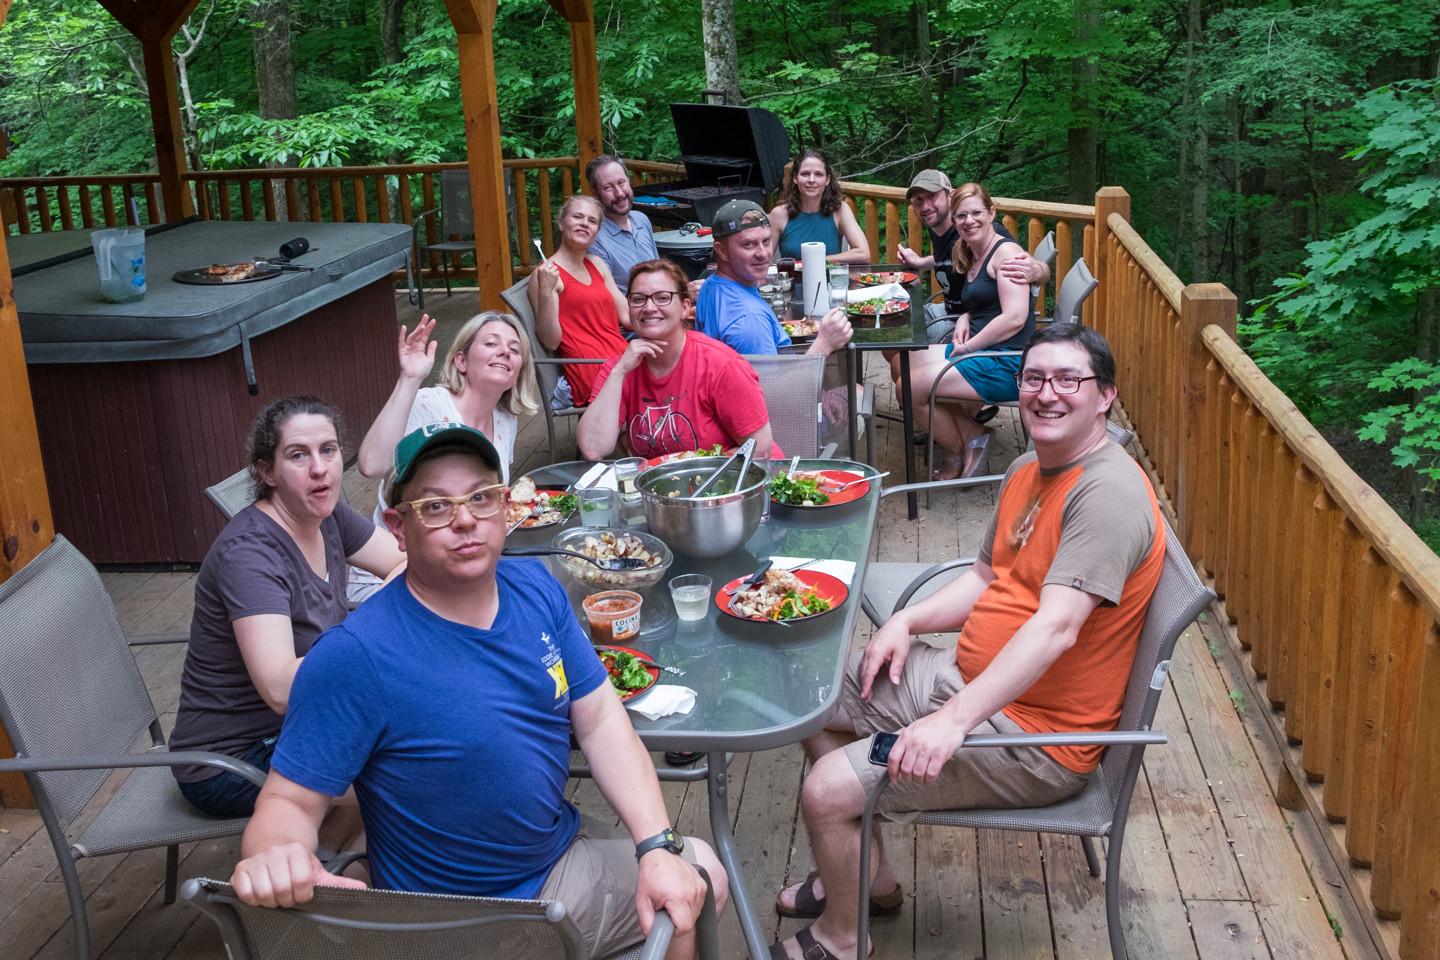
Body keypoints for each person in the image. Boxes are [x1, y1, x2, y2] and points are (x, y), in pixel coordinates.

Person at [228, 422, 729, 960]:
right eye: (436, 507)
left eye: (481, 498)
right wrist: (278, 855)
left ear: (506, 507)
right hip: (479, 915)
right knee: (703, 875)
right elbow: (287, 802)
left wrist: (655, 845)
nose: (465, 518)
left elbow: (602, 720)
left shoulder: (538, 589)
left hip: (550, 845)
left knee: (676, 861)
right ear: (398, 527)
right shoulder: (356, 655)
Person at [767, 324, 1165, 960]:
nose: (1047, 394)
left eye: (1069, 380)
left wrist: (951, 721)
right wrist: (906, 623)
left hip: (1033, 738)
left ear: (1105, 396)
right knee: (815, 694)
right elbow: (985, 579)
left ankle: (843, 938)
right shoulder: (1030, 466)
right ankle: (867, 876)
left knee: (826, 791)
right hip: (969, 683)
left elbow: (1057, 627)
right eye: (1035, 378)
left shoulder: (1107, 494)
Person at [169, 396, 406, 827]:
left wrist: (377, 626)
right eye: (298, 455)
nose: (320, 468)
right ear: (266, 471)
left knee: (427, 726)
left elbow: (406, 560)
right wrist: (374, 635)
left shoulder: (327, 514)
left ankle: (352, 858)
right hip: (233, 759)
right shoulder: (251, 555)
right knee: (413, 765)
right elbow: (279, 689)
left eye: (328, 450)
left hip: (306, 719)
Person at [577, 258, 778, 461]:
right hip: (660, 488)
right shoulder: (620, 367)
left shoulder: (721, 365)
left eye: (662, 297)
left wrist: (684, 474)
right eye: (638, 299)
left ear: (685, 308)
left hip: (729, 483)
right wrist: (619, 372)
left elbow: (760, 450)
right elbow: (593, 449)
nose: (648, 307)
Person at [910, 182, 1036, 480]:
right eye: (961, 216)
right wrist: (966, 315)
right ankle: (971, 432)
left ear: (992, 213)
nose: (969, 221)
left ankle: (955, 450)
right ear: (953, 221)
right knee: (907, 360)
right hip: (982, 348)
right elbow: (988, 299)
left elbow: (1015, 318)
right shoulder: (973, 250)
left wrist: (969, 347)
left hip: (1007, 360)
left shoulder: (1005, 254)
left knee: (909, 387)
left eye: (976, 213)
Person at [357, 310, 539, 495]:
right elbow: (372, 466)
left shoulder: (505, 417)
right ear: (461, 361)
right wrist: (409, 378)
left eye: (514, 349)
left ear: (518, 373)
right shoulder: (428, 405)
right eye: (491, 343)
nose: (505, 351)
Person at [694, 199, 852, 358]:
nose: (763, 254)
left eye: (766, 241)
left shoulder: (711, 285)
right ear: (721, 251)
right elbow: (773, 383)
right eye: (748, 244)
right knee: (856, 385)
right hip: (787, 380)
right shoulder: (749, 320)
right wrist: (824, 344)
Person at [529, 193, 630, 409]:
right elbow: (550, 341)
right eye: (577, 217)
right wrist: (546, 292)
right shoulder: (547, 275)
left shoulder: (597, 264)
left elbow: (627, 316)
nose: (585, 224)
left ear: (596, 232)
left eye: (592, 221)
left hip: (621, 359)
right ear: (561, 223)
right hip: (592, 369)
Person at [766, 150, 870, 264]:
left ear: (827, 180)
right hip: (791, 281)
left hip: (829, 281)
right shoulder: (779, 214)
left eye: (818, 174)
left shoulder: (840, 210)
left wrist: (815, 261)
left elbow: (863, 254)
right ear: (795, 178)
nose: (811, 180)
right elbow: (764, 259)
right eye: (805, 174)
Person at [585, 154, 659, 295]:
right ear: (595, 194)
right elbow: (608, 300)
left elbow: (659, 274)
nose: (619, 193)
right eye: (608, 187)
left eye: (621, 182)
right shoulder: (595, 239)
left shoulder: (641, 220)